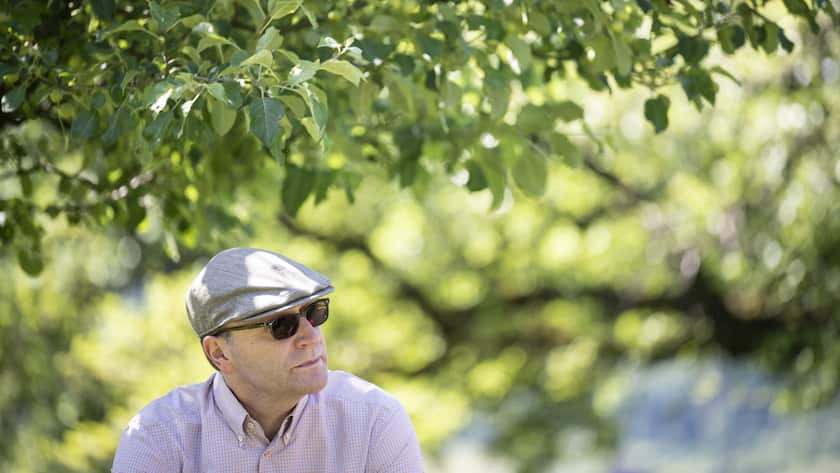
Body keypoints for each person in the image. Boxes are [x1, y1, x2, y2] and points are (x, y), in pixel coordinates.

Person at [112, 247, 425, 472]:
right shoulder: (157, 437)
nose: (311, 336)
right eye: (281, 326)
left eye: (315, 313)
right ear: (219, 352)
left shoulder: (373, 420)